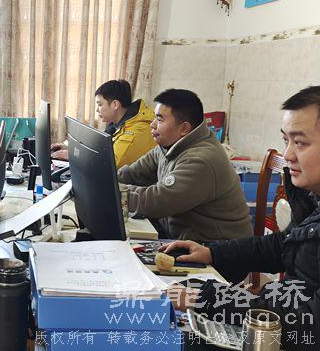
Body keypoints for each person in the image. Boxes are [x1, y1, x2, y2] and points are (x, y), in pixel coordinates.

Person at [164, 86, 320, 351]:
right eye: (286, 140)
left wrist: (207, 299)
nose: (288, 155)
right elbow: (283, 245)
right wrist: (212, 252)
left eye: (300, 143)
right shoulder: (311, 197)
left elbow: (308, 324)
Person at [118, 89, 251, 241]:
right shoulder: (167, 145)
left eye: (160, 120)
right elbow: (134, 174)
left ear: (184, 128)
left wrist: (113, 192)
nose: (152, 125)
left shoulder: (201, 160)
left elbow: (157, 202)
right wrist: (108, 181)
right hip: (180, 236)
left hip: (214, 247)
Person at [51, 79, 156, 169]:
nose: (97, 110)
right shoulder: (118, 124)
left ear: (115, 104)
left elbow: (110, 165)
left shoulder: (137, 130)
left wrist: (73, 156)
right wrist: (72, 149)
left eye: (100, 104)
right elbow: (100, 151)